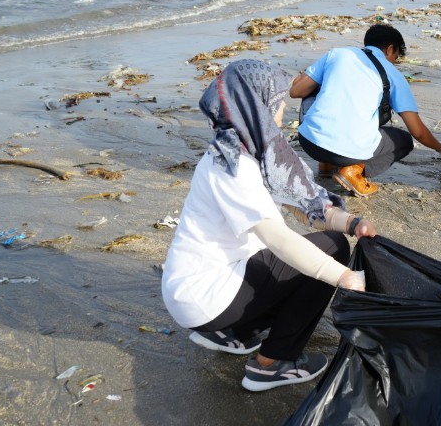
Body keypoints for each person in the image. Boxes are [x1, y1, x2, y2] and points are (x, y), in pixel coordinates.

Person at [161, 59, 378, 392]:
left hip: (201, 288)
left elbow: (300, 206)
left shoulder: (245, 151)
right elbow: (277, 238)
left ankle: (234, 332)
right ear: (257, 106)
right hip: (204, 296)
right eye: (277, 103)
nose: (283, 111)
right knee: (331, 249)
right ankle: (272, 363)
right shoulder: (234, 166)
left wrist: (351, 222)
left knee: (326, 243)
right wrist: (343, 276)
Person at [291, 24, 441, 196]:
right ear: (390, 49)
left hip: (309, 142)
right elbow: (418, 132)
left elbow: (296, 91)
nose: (393, 62)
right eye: (396, 57)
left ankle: (326, 165)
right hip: (347, 153)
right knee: (404, 141)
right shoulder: (394, 76)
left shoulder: (338, 53)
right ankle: (354, 172)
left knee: (315, 90)